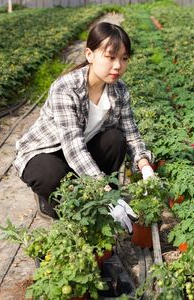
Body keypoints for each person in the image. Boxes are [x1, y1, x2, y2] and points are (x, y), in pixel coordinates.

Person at [14, 22, 154, 221]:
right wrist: (106, 193)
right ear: (90, 55)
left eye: (124, 59)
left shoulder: (119, 90)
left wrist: (145, 166)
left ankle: (103, 203)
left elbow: (131, 132)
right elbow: (73, 147)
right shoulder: (66, 87)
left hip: (81, 151)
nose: (118, 66)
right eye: (110, 57)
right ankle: (50, 203)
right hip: (47, 152)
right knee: (53, 177)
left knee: (115, 139)